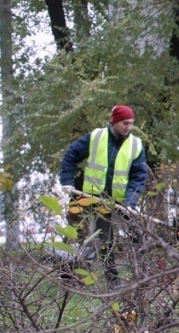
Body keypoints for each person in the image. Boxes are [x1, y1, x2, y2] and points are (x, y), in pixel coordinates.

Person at [60, 105, 148, 282]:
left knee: (106, 240)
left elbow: (139, 176)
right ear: (115, 121)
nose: (128, 127)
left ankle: (112, 280)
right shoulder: (96, 137)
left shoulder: (135, 145)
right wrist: (67, 183)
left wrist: (130, 203)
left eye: (131, 123)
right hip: (86, 196)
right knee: (75, 235)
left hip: (110, 202)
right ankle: (69, 278)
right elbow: (71, 155)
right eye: (125, 123)